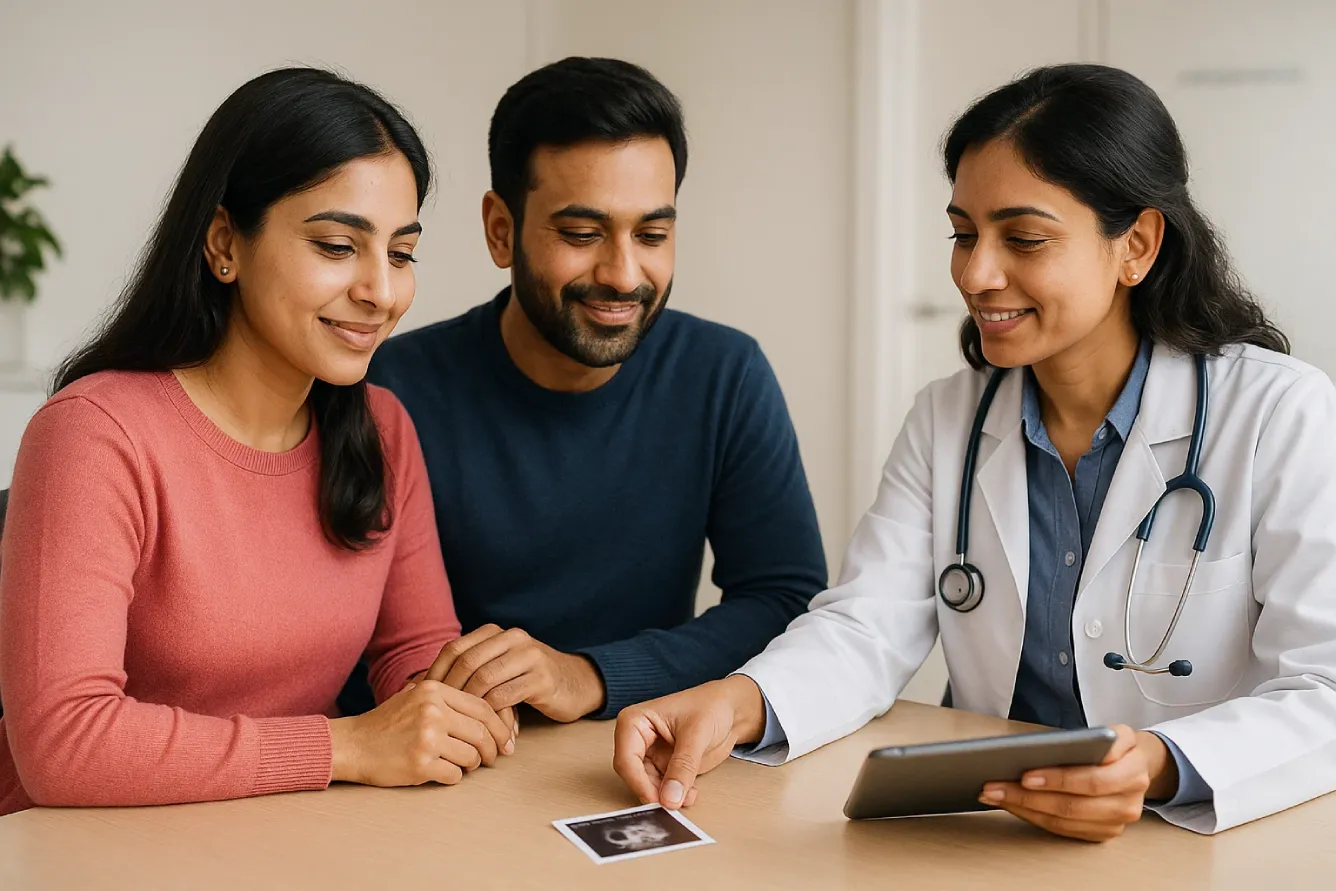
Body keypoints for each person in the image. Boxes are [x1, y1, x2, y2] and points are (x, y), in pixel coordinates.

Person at [612, 63, 1336, 840]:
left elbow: (1324, 685)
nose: (975, 273)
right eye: (963, 234)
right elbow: (865, 628)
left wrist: (1160, 763)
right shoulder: (947, 418)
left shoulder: (1278, 414)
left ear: (1136, 245)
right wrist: (737, 701)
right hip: (990, 832)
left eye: (1023, 238)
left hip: (1186, 838)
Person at [0, 68, 516, 817]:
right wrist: (346, 746)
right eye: (337, 245)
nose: (381, 291)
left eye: (401, 254)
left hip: (278, 834)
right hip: (80, 845)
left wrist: (459, 702)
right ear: (224, 244)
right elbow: (65, 746)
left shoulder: (382, 429)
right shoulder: (94, 434)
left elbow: (414, 653)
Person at [359, 57, 828, 724]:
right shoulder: (389, 389)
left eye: (653, 235)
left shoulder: (724, 373)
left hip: (638, 743)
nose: (623, 274)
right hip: (451, 753)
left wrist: (591, 675)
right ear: (501, 230)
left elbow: (784, 599)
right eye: (582, 234)